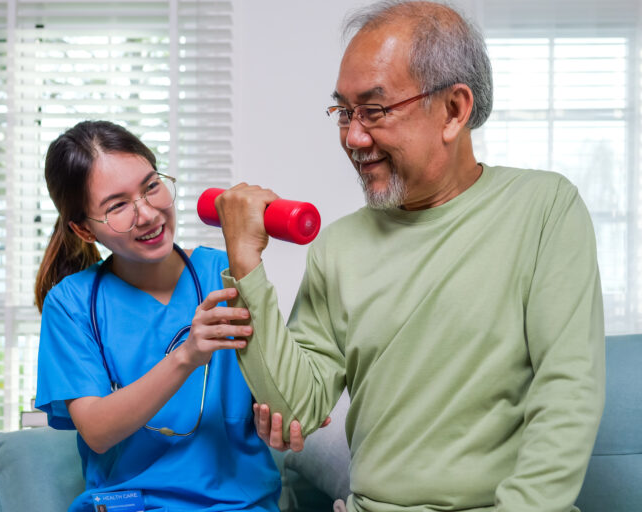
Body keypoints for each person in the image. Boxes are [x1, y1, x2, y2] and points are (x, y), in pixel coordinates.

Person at [216, 1, 605, 511]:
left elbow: (567, 393)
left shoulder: (545, 208)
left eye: (374, 111)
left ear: (454, 110)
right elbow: (296, 411)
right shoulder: (338, 247)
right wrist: (246, 260)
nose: (354, 137)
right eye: (344, 112)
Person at [33, 120, 281, 512]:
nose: (147, 214)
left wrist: (292, 415)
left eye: (151, 187)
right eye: (117, 206)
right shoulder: (72, 303)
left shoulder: (227, 271)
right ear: (83, 229)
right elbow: (96, 430)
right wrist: (186, 356)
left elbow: (276, 385)